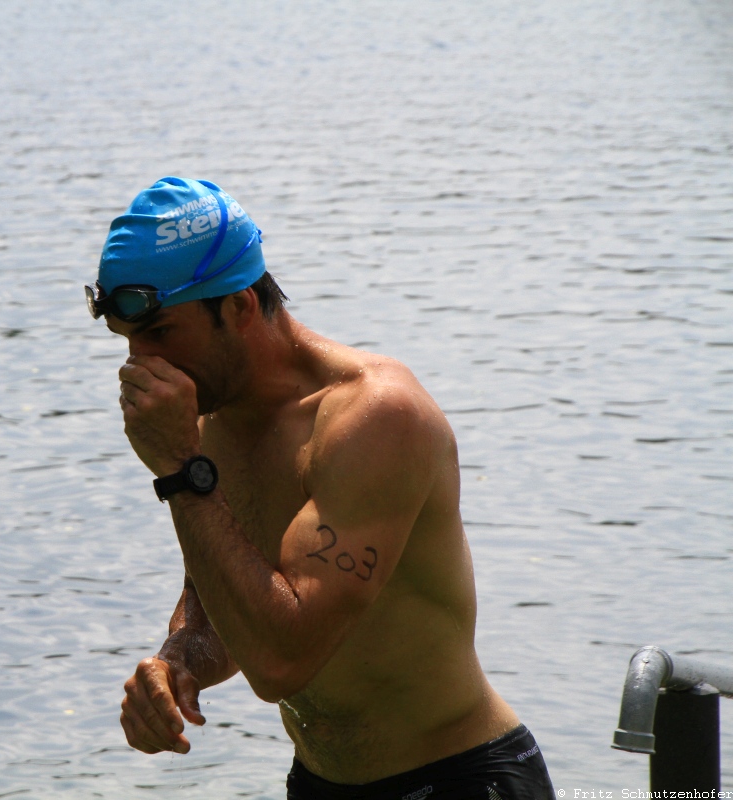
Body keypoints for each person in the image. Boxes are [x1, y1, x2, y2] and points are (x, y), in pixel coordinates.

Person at [85, 177, 555, 798]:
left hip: (459, 777)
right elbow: (218, 599)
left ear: (240, 306)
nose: (141, 364)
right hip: (317, 783)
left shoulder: (375, 418)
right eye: (128, 341)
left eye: (161, 333)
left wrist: (179, 471)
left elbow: (283, 661)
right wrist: (177, 662)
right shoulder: (208, 423)